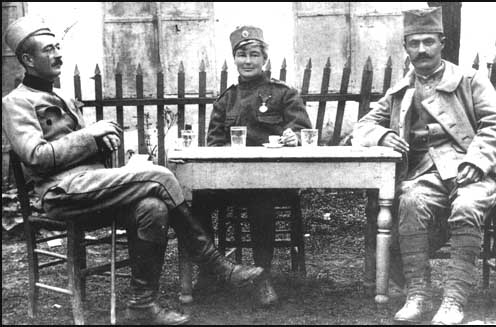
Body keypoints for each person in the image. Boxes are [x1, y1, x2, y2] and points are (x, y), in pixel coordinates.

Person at [2, 16, 264, 325]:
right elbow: (36, 156)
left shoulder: (63, 97)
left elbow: (83, 151)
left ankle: (142, 304)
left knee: (152, 208)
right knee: (160, 175)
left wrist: (103, 142)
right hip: (61, 194)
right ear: (28, 59)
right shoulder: (16, 102)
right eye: (48, 50)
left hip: (91, 188)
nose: (58, 54)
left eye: (58, 46)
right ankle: (216, 265)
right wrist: (90, 135)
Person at [352, 7, 496, 325]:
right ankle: (418, 294)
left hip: (473, 170)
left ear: (442, 43)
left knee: (468, 205)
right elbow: (361, 128)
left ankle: (454, 301)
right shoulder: (402, 90)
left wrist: (477, 160)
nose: (422, 50)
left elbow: (495, 126)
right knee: (410, 200)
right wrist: (383, 134)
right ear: (406, 48)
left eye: (429, 42)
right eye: (414, 43)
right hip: (426, 173)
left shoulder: (469, 81)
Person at [193, 25, 312, 306]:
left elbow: (302, 129)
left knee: (261, 199)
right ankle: (212, 270)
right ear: (235, 59)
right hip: (232, 180)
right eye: (242, 55)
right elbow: (214, 144)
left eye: (254, 55)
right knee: (197, 200)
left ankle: (263, 277)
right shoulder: (226, 99)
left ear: (264, 59)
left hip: (273, 181)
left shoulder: (284, 94)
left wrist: (293, 136)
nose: (248, 61)